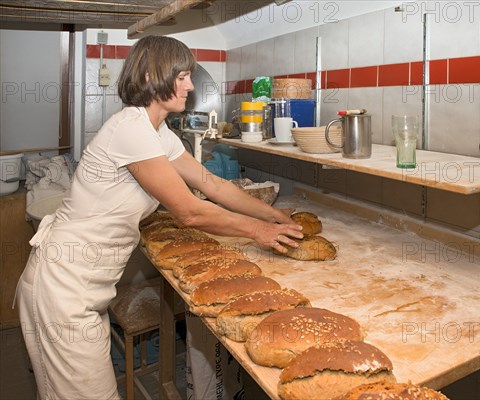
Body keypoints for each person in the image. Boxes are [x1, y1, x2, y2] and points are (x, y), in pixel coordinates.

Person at [16, 35, 303, 399]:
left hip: (84, 288)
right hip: (62, 286)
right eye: (182, 75)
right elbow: (190, 210)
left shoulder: (157, 132)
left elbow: (211, 184)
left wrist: (273, 214)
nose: (188, 85)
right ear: (153, 75)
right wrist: (258, 231)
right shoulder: (130, 129)